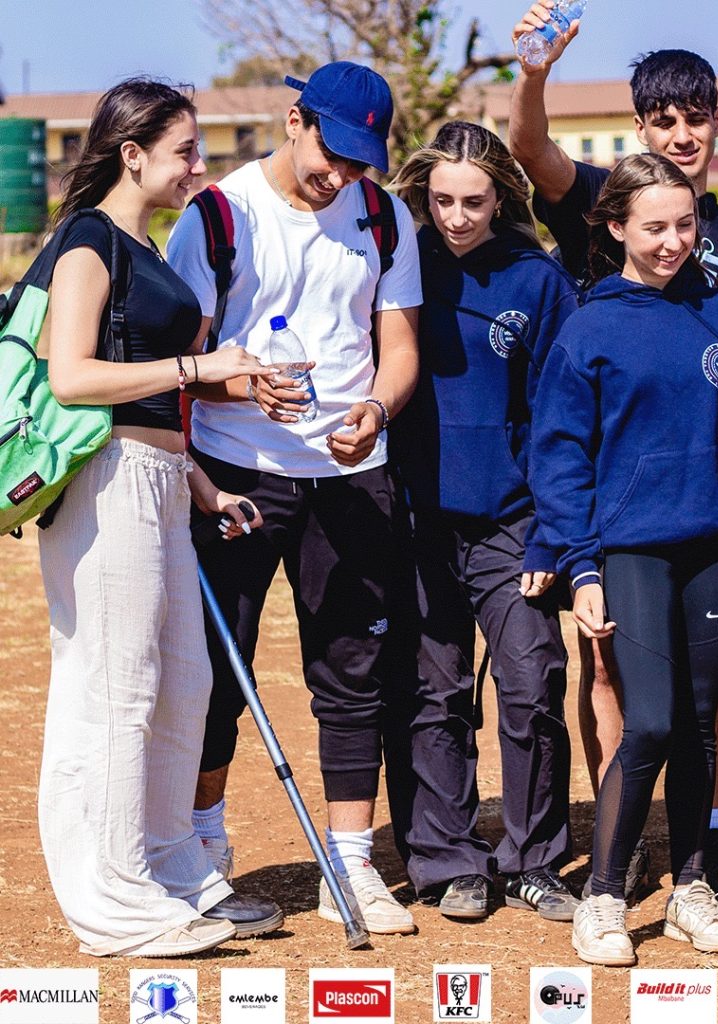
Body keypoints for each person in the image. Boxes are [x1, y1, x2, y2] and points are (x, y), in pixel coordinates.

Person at [509, 2, 718, 907]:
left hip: (713, 526)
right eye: (663, 118)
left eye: (696, 117)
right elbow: (528, 148)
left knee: (696, 705)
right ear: (614, 225)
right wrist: (534, 71)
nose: (672, 240)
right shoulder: (595, 234)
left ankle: (699, 858)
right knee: (626, 693)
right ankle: (616, 866)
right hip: (622, 526)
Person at [166, 61, 422, 934]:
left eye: (358, 162)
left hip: (352, 474)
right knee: (215, 671)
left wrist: (376, 410)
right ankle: (204, 852)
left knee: (353, 672)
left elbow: (400, 348)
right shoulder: (219, 216)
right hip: (236, 473)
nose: (341, 176)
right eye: (331, 153)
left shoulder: (385, 216)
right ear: (294, 122)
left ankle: (350, 866)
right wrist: (243, 388)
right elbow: (182, 363)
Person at [37, 78, 283, 957]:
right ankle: (112, 903)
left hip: (160, 482)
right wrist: (197, 368)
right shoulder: (87, 242)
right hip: (104, 484)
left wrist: (203, 487)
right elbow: (71, 377)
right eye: (184, 150)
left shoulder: (144, 245)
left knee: (184, 683)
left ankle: (174, 872)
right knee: (114, 690)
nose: (198, 166)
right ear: (131, 153)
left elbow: (147, 397)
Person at [384, 121, 581, 922]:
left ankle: (534, 859)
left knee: (532, 686)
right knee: (433, 694)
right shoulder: (398, 264)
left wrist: (553, 533)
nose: (456, 217)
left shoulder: (539, 281)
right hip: (416, 519)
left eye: (473, 201)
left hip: (513, 524)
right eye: (442, 201)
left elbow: (562, 417)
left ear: (502, 196)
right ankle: (449, 860)